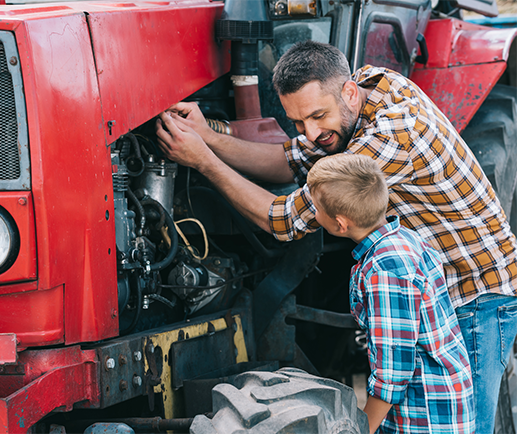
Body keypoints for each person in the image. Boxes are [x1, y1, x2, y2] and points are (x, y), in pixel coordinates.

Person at [156, 40, 517, 433]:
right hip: (435, 291)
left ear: (348, 92)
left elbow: (284, 219)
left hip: (475, 295)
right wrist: (207, 135)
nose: (310, 133)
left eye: (317, 117)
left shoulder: (390, 138)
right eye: (298, 123)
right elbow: (289, 160)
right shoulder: (364, 91)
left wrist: (202, 161)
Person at [307, 153, 474, 433]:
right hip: (437, 400)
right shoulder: (403, 238)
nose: (313, 214)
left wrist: (366, 428)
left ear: (341, 224)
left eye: (316, 209)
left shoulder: (385, 269)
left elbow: (393, 371)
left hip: (426, 415)